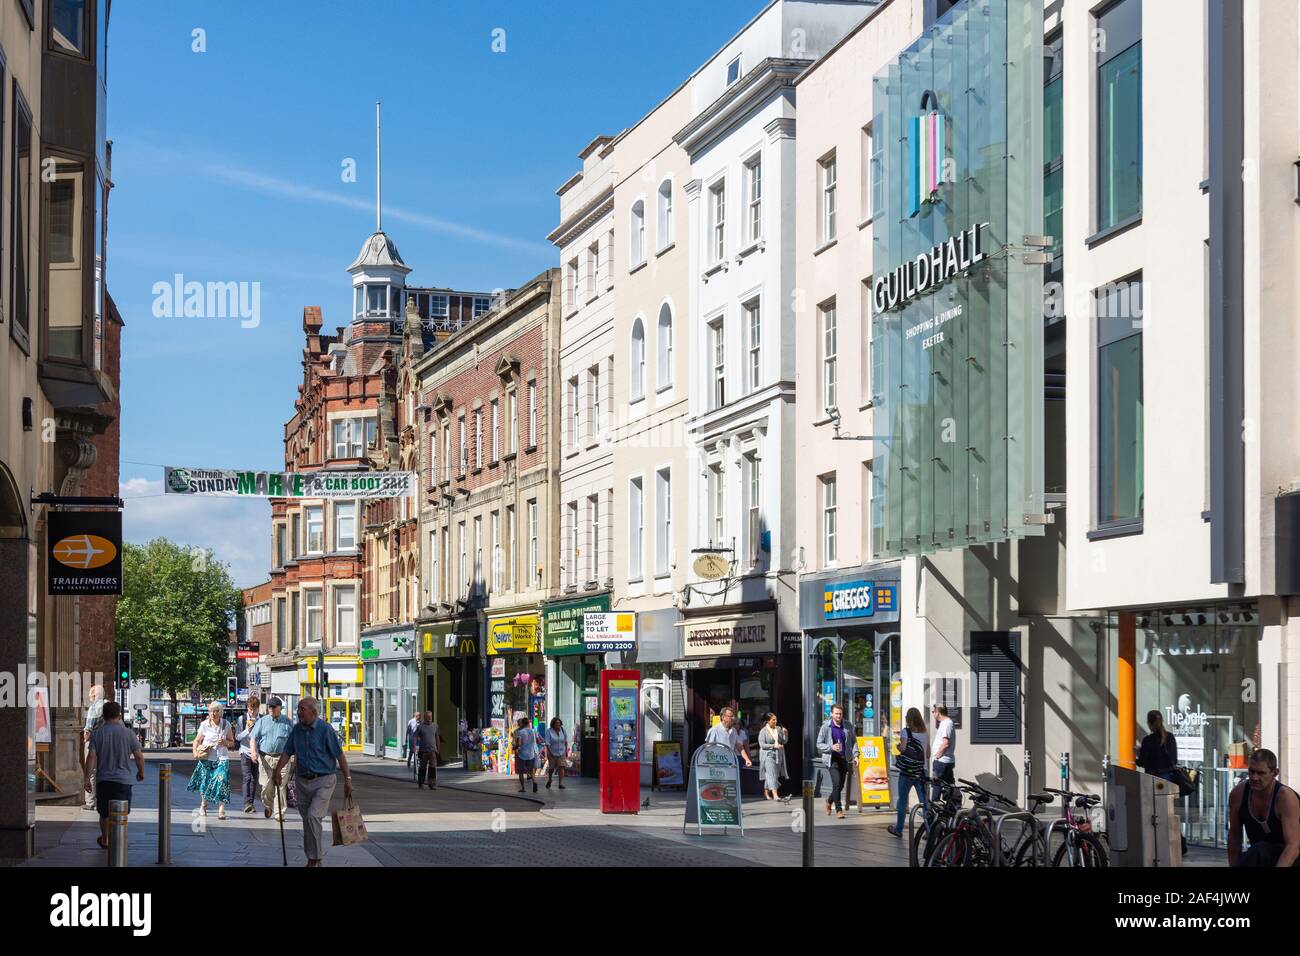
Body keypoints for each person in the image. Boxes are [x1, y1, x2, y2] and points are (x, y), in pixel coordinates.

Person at [272, 698, 353, 867]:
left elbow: (340, 756)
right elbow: (287, 752)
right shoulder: (297, 730)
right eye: (298, 709)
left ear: (313, 712)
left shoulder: (325, 730)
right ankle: (317, 859)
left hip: (324, 780)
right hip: (303, 781)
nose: (298, 712)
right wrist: (277, 771)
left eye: (302, 709)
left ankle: (313, 859)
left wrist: (348, 779)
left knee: (313, 816)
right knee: (308, 822)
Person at [83, 701, 145, 852]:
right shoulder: (129, 734)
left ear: (103, 716)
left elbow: (91, 757)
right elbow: (138, 756)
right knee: (121, 811)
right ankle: (119, 839)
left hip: (103, 780)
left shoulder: (98, 733)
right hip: (123, 780)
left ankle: (105, 839)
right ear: (119, 715)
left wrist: (86, 778)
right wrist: (140, 771)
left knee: (104, 813)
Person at [1228, 749, 1300, 867]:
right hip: (1261, 855)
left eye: (1261, 773)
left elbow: (1293, 846)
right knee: (1258, 851)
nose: (1254, 777)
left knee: (1260, 850)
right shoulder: (1238, 794)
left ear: (1275, 773)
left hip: (1291, 857)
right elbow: (1234, 835)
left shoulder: (1285, 798)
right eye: (1251, 772)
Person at [187, 701, 235, 818]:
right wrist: (194, 752)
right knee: (205, 782)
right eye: (211, 711)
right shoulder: (204, 724)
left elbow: (232, 742)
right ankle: (203, 804)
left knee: (222, 781)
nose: (213, 714)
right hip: (206, 758)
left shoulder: (226, 724)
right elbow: (197, 741)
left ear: (220, 712)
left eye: (216, 711)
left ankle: (221, 808)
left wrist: (225, 742)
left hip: (222, 758)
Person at [888, 707, 930, 837]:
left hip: (907, 772)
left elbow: (903, 748)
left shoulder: (906, 732)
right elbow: (928, 754)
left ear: (908, 719)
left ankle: (899, 829)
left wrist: (898, 746)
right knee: (925, 802)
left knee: (902, 800)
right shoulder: (925, 733)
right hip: (922, 772)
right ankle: (930, 830)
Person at [250, 696, 293, 820]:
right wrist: (253, 752)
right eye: (269, 706)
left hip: (283, 759)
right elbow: (253, 738)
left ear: (280, 708)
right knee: (266, 786)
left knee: (281, 786)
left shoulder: (287, 722)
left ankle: (279, 813)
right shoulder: (262, 721)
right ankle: (268, 805)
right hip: (265, 758)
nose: (271, 709)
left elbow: (294, 740)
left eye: (274, 707)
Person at [816, 704, 858, 819]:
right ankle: (839, 809)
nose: (838, 716)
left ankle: (829, 800)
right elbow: (818, 744)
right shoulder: (826, 727)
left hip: (844, 758)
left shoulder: (848, 725)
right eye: (836, 713)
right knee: (836, 782)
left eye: (840, 713)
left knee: (840, 786)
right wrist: (831, 747)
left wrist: (856, 755)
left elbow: (854, 741)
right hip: (831, 759)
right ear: (831, 714)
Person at [235, 695, 262, 813]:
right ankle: (247, 803)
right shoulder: (242, 719)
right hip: (245, 751)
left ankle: (251, 803)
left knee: (254, 778)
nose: (252, 712)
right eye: (251, 709)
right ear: (247, 708)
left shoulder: (262, 719)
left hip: (256, 752)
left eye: (255, 709)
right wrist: (247, 730)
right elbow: (237, 737)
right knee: (247, 777)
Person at [80, 683, 106, 811]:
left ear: (95, 695)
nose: (89, 695)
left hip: (94, 742)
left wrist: (85, 741)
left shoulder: (94, 707)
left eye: (91, 693)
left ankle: (90, 802)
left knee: (91, 772)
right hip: (107, 743)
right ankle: (103, 800)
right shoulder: (109, 705)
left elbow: (88, 729)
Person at [1135, 710, 1179, 780]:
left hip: (1153, 778)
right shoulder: (1170, 737)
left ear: (1149, 723)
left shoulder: (1147, 740)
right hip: (1169, 779)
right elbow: (1174, 760)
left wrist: (1137, 754)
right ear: (1162, 721)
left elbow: (1142, 762)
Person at [758, 713, 789, 801]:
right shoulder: (763, 731)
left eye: (776, 719)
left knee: (773, 775)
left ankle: (766, 791)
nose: (775, 721)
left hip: (778, 755)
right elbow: (762, 745)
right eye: (773, 720)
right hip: (768, 755)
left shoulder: (778, 729)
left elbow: (784, 741)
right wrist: (773, 746)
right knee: (771, 774)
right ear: (768, 721)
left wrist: (786, 734)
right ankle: (775, 795)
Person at [929, 703, 957, 803]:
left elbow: (946, 743)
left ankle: (932, 812)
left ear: (938, 712)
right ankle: (951, 810)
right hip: (944, 761)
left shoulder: (946, 723)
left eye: (933, 712)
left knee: (936, 785)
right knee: (949, 787)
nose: (932, 714)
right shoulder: (946, 723)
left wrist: (937, 756)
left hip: (942, 761)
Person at [414, 710, 441, 790]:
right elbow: (415, 736)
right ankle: (421, 783)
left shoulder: (435, 726)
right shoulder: (420, 726)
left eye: (431, 717)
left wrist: (438, 749)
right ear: (425, 717)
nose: (429, 718)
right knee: (422, 767)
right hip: (423, 751)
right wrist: (414, 746)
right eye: (428, 717)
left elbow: (437, 738)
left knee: (432, 768)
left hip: (432, 750)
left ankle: (432, 784)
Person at [513, 716, 539, 794]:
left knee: (521, 772)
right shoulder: (533, 731)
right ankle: (534, 781)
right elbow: (535, 741)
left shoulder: (520, 732)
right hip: (531, 753)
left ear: (522, 724)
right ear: (528, 723)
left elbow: (519, 743)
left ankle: (523, 788)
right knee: (532, 771)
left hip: (522, 754)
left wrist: (515, 747)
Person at [545, 717, 569, 790]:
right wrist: (550, 752)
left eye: (559, 723)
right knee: (552, 768)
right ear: (553, 724)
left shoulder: (563, 730)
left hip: (561, 752)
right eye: (556, 723)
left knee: (561, 767)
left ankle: (560, 783)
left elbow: (565, 741)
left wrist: (566, 751)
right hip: (552, 752)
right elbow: (547, 743)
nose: (558, 724)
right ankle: (550, 779)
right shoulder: (549, 731)